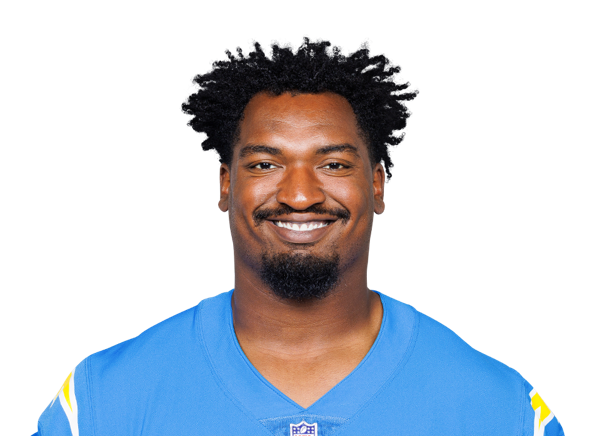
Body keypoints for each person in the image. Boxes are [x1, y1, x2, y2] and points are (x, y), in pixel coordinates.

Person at [34, 36, 564, 435]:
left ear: (377, 185)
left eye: (333, 164)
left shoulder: (503, 409)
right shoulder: (101, 402)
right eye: (266, 164)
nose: (301, 195)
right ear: (226, 184)